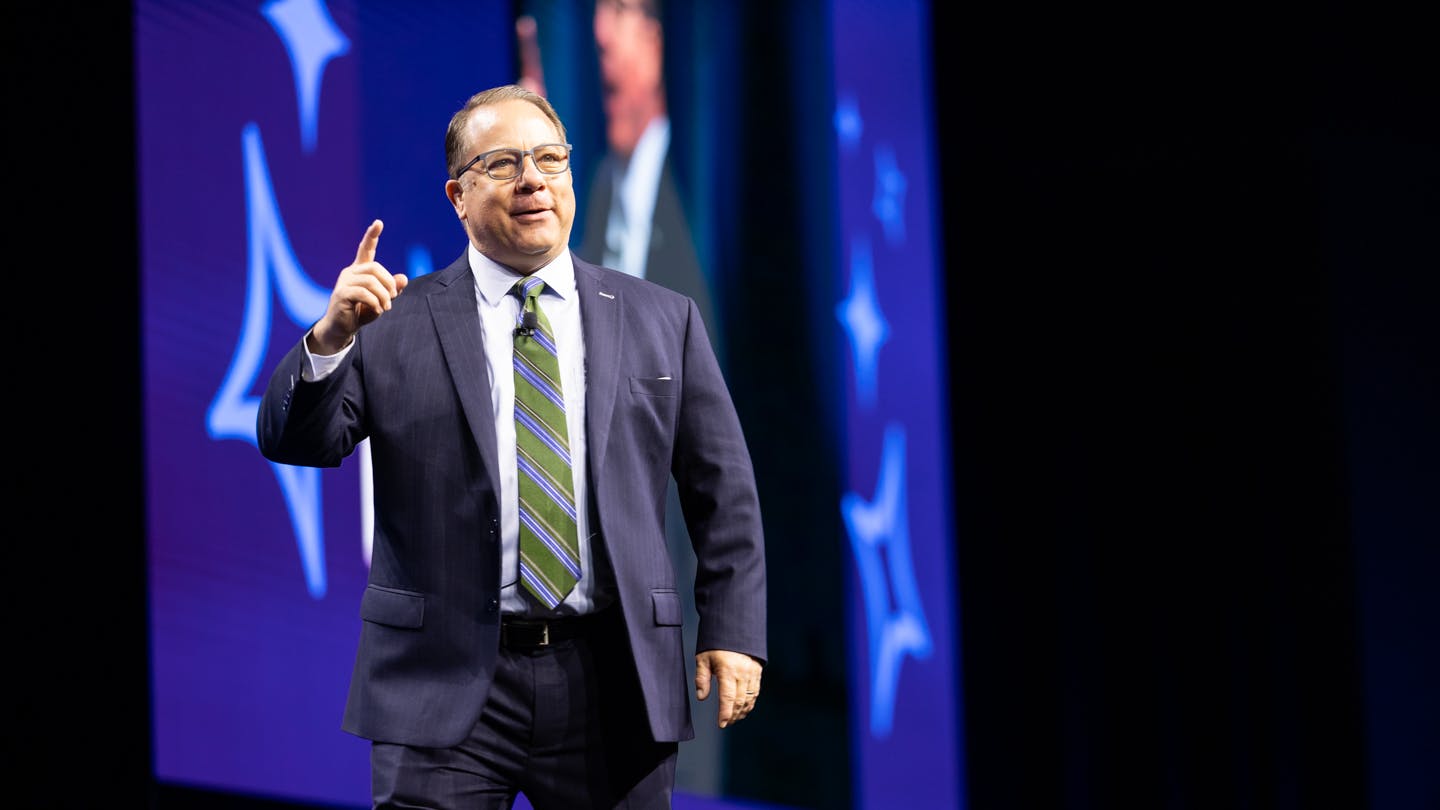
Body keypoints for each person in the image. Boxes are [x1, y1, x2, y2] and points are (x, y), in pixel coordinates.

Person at [256, 84, 766, 809]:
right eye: (502, 164)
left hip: (613, 677)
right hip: (441, 682)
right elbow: (296, 442)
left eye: (550, 160)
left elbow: (725, 491)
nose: (533, 179)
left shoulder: (663, 319)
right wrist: (330, 339)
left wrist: (735, 629)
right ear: (458, 196)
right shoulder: (391, 323)